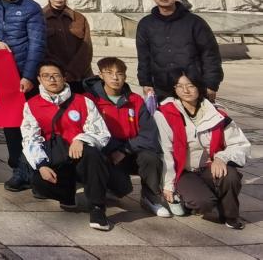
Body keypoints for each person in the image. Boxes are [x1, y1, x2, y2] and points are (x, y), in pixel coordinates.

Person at [20, 60, 113, 232]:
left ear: (64, 78)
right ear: (39, 79)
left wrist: (81, 139)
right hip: (55, 155)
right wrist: (41, 165)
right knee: (38, 182)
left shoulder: (82, 101)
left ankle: (97, 207)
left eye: (56, 75)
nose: (52, 79)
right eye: (46, 76)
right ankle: (67, 194)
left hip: (80, 154)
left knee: (93, 154)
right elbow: (30, 138)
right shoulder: (32, 105)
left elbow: (101, 132)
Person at [154, 72, 249, 229]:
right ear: (174, 89)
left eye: (191, 85)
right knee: (203, 202)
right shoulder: (164, 113)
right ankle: (197, 201)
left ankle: (231, 216)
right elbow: (166, 151)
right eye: (180, 86)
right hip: (183, 172)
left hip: (208, 167)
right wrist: (168, 186)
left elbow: (240, 143)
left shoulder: (217, 114)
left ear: (200, 87)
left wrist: (221, 158)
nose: (185, 90)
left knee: (230, 176)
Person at [0, 0, 46, 192]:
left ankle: (34, 169)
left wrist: (29, 76)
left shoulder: (31, 8)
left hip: (23, 72)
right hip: (3, 73)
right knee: (10, 123)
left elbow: (37, 44)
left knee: (30, 124)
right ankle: (18, 169)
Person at [82, 57, 165, 216]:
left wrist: (125, 149)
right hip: (106, 153)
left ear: (125, 77)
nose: (115, 78)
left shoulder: (135, 100)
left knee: (151, 157)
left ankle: (150, 197)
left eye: (119, 74)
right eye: (109, 73)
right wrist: (113, 150)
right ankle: (105, 189)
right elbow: (89, 132)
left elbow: (149, 135)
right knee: (122, 187)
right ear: (100, 75)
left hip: (130, 150)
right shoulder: (90, 99)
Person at [136, 0, 223, 102]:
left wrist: (211, 83)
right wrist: (146, 82)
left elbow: (210, 54)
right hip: (162, 88)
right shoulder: (145, 24)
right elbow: (143, 56)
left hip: (193, 85)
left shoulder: (195, 22)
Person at [43, 0, 93, 90]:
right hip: (53, 77)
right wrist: (58, 71)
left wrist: (73, 72)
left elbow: (87, 48)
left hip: (79, 75)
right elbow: (40, 48)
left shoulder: (79, 18)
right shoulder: (39, 18)